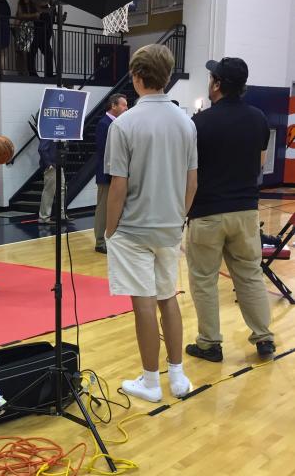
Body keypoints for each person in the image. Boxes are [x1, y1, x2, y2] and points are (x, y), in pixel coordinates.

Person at [104, 44, 198, 403]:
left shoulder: (124, 124)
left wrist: (111, 229)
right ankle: (177, 376)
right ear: (168, 76)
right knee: (168, 298)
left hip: (133, 229)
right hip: (169, 226)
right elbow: (192, 182)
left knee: (143, 303)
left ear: (136, 77)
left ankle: (150, 381)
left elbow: (118, 185)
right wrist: (179, 218)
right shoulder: (186, 123)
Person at [186, 57, 275, 361]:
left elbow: (191, 174)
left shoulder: (200, 123)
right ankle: (263, 338)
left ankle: (210, 343)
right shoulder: (259, 118)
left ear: (218, 84)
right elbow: (261, 164)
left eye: (211, 77)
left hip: (207, 212)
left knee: (204, 280)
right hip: (246, 211)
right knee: (250, 275)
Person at [94, 93, 128, 253]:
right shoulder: (104, 124)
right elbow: (103, 151)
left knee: (114, 207)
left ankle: (111, 238)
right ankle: (100, 241)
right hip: (107, 174)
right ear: (113, 106)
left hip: (116, 174)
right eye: (123, 105)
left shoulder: (118, 124)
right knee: (103, 208)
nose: (126, 108)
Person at [38, 139, 66, 224]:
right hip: (52, 166)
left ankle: (61, 215)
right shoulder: (48, 133)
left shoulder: (56, 134)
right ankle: (44, 217)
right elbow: (41, 148)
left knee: (62, 189)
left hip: (58, 164)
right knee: (49, 191)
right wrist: (48, 164)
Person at [14, 0, 38, 76]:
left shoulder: (32, 6)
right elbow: (21, 15)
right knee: (22, 51)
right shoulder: (21, 5)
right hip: (22, 30)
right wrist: (33, 15)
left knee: (28, 51)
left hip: (30, 31)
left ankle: (28, 71)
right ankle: (23, 71)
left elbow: (37, 16)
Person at [30, 0, 54, 77]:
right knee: (33, 51)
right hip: (38, 30)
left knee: (49, 53)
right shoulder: (37, 1)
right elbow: (38, 8)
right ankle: (32, 73)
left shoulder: (49, 7)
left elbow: (53, 19)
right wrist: (49, 9)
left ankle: (49, 74)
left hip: (45, 34)